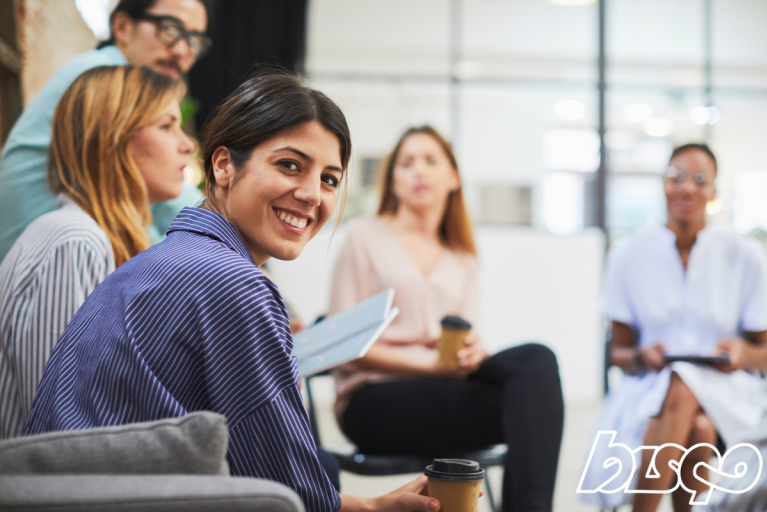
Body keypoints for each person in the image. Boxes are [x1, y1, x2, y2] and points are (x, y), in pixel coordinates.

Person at [25, 73, 451, 512]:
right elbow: (289, 486)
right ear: (224, 165)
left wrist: (371, 506)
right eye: (290, 165)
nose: (312, 194)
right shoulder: (234, 281)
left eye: (329, 179)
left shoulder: (160, 260)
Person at [327, 126, 565, 512]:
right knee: (525, 410)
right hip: (375, 399)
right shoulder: (363, 237)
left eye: (430, 161)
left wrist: (472, 353)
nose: (418, 171)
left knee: (536, 361)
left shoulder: (462, 256)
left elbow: (463, 338)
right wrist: (429, 366)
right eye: (407, 163)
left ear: (453, 178)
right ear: (393, 180)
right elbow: (342, 346)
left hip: (445, 391)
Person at [0, 65, 194, 439]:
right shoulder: (74, 240)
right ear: (113, 137)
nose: (187, 144)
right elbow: (62, 430)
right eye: (166, 126)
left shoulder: (99, 241)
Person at [579, 144, 767, 512]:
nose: (687, 188)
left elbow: (765, 352)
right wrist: (640, 355)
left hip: (730, 389)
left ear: (714, 190)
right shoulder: (628, 254)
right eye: (677, 178)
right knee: (697, 425)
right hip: (650, 384)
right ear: (663, 184)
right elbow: (618, 353)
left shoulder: (745, 254)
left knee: (682, 383)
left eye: (700, 180)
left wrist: (743, 353)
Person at [0, 0, 211, 261]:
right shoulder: (103, 81)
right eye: (170, 29)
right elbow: (180, 210)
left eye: (194, 41)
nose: (181, 50)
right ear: (122, 27)